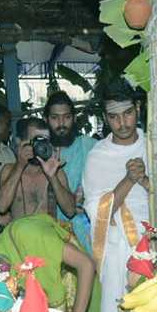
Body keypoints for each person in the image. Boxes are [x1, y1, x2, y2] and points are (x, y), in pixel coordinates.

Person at [81, 80, 153, 312]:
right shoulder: (97, 156)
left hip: (154, 242)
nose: (122, 123)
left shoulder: (155, 147)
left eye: (128, 113)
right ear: (105, 118)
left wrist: (144, 180)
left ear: (139, 110)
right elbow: (96, 213)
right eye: (114, 117)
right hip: (115, 252)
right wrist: (128, 180)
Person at [0, 117, 76, 222]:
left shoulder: (56, 172)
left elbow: (70, 211)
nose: (40, 146)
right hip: (20, 236)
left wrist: (52, 177)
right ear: (20, 142)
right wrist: (19, 166)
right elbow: (1, 207)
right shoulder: (9, 170)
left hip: (48, 235)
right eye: (36, 141)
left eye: (45, 141)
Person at [43, 91, 95, 246]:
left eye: (66, 117)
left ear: (74, 118)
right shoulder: (40, 153)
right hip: (48, 233)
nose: (61, 123)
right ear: (45, 119)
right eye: (54, 118)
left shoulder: (90, 147)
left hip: (88, 233)